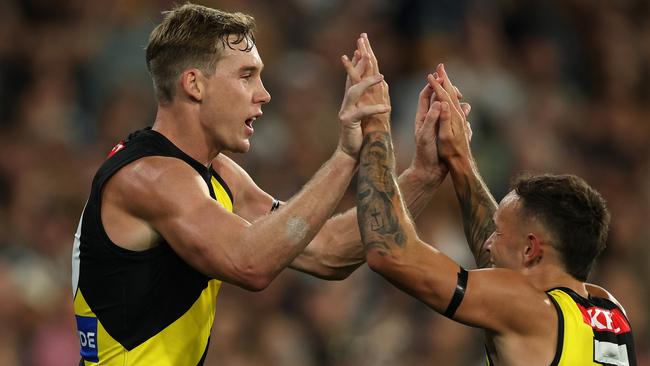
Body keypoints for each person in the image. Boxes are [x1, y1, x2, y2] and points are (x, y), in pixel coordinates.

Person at [71, 3, 453, 365]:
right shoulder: (150, 176)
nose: (263, 93)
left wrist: (423, 175)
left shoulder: (218, 173)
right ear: (194, 84)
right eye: (246, 75)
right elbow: (250, 264)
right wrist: (345, 156)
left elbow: (327, 251)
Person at [355, 54, 638, 364]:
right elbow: (503, 258)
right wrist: (460, 158)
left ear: (531, 248)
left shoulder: (527, 308)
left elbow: (390, 253)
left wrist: (376, 126)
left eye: (500, 232)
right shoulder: (609, 308)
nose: (488, 241)